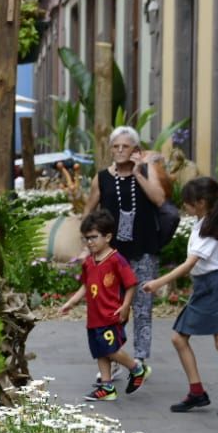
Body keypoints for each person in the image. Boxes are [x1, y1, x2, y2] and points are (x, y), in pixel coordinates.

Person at [143, 176, 218, 417]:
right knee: (180, 339)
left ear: (201, 203)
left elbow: (190, 264)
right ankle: (197, 392)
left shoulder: (209, 229)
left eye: (188, 203)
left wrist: (159, 282)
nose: (185, 208)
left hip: (214, 288)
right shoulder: (203, 224)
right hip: (205, 287)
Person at [84, 126, 170, 372]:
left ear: (135, 150)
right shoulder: (101, 178)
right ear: (110, 149)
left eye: (126, 146)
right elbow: (88, 211)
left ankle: (141, 358)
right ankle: (117, 355)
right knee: (111, 307)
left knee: (143, 306)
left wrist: (138, 173)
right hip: (111, 255)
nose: (120, 151)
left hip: (143, 251)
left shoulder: (145, 172)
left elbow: (159, 199)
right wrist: (87, 244)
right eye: (116, 146)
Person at [57, 210, 151, 401]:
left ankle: (136, 368)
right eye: (86, 239)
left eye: (93, 237)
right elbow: (85, 285)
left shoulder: (117, 260)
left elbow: (131, 284)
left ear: (108, 236)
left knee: (111, 349)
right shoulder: (89, 262)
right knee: (100, 350)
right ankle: (107, 387)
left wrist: (125, 306)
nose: (89, 242)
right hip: (94, 316)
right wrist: (71, 302)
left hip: (111, 315)